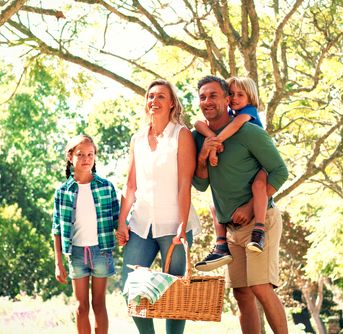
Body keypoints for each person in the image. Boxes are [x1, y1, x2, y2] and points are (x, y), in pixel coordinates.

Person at [191, 75, 289, 334]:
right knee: (242, 294)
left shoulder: (248, 131)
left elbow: (279, 172)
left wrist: (248, 208)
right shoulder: (197, 137)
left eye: (214, 95)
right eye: (202, 97)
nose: (208, 101)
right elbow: (200, 185)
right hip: (230, 230)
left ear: (227, 99)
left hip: (261, 219)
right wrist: (202, 157)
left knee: (260, 287)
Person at [116, 79, 202, 334]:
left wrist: (182, 226)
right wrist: (122, 222)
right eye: (150, 96)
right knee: (129, 287)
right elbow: (130, 185)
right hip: (141, 224)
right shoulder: (138, 139)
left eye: (161, 96)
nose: (154, 100)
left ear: (172, 103)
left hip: (175, 224)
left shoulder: (181, 134)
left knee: (175, 295)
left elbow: (184, 184)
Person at [194, 76, 269, 273]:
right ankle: (221, 244)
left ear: (250, 97)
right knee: (213, 203)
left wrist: (215, 142)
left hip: (263, 167)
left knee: (258, 187)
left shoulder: (247, 114)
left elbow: (234, 128)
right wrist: (209, 144)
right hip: (232, 224)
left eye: (240, 95)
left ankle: (259, 229)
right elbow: (198, 123)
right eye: (232, 94)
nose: (235, 98)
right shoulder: (228, 114)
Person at [52, 134, 120, 334]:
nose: (86, 159)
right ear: (70, 157)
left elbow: (118, 220)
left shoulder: (106, 187)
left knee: (99, 304)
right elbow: (56, 228)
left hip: (102, 252)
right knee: (81, 307)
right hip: (77, 254)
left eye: (90, 154)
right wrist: (58, 262)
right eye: (80, 154)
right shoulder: (63, 192)